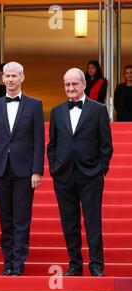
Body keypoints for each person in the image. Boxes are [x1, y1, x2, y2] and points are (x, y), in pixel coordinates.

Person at [47, 68, 113, 277]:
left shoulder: (99, 110)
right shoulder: (57, 112)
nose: (70, 88)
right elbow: (52, 145)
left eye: (75, 84)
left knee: (93, 220)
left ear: (84, 85)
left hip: (91, 174)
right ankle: (75, 264)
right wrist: (55, 168)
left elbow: (106, 145)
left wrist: (100, 169)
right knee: (69, 222)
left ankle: (96, 265)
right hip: (64, 175)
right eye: (67, 84)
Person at [0, 61, 45, 276]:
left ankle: (18, 263)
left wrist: (37, 170)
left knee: (21, 219)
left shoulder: (35, 105)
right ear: (2, 78)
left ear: (22, 78)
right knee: (5, 219)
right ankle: (7, 261)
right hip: (0, 170)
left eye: (13, 76)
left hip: (25, 171)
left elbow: (39, 140)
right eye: (6, 76)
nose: (9, 80)